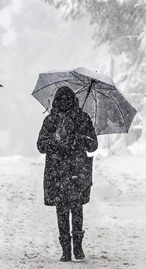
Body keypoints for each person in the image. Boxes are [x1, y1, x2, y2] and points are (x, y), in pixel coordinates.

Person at [37, 86, 98, 262]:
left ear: (72, 101)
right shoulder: (50, 121)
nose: (63, 104)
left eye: (67, 100)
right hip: (57, 171)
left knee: (76, 208)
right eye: (60, 100)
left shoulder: (82, 118)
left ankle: (77, 248)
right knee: (62, 210)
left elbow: (93, 145)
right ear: (56, 102)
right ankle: (66, 249)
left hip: (77, 171)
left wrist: (78, 137)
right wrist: (54, 141)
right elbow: (40, 146)